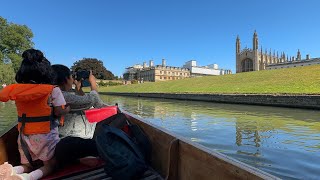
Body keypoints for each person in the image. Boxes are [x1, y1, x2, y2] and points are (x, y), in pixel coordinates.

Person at [0, 49, 70, 180]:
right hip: (45, 135)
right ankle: (25, 178)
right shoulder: (53, 90)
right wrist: (67, 110)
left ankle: (9, 170)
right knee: (50, 165)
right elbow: (58, 111)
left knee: (26, 165)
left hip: (23, 135)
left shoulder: (15, 90)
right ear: (47, 72)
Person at [51, 64, 106, 168]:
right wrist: (93, 84)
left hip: (64, 141)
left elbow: (80, 102)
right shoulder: (62, 95)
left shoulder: (54, 94)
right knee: (120, 117)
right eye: (71, 77)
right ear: (65, 79)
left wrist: (78, 88)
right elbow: (96, 103)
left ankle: (79, 159)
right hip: (72, 139)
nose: (72, 79)